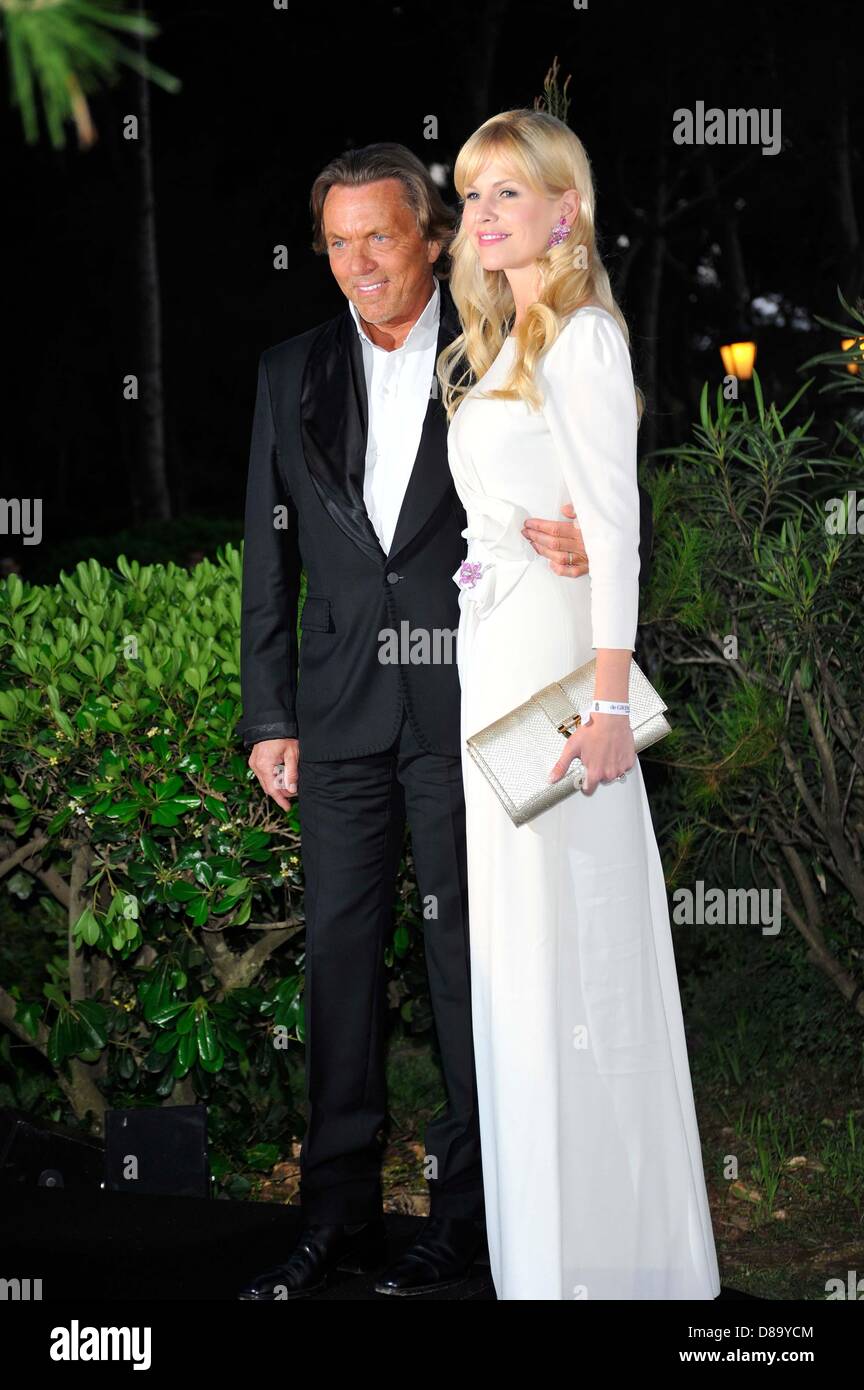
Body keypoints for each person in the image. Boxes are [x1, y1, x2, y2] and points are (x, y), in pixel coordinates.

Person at [236, 143, 654, 1300]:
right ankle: (339, 1220)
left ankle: (470, 1225)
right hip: (333, 718)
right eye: (336, 243)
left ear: (433, 237)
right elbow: (265, 560)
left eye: (381, 235)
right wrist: (270, 711)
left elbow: (597, 479)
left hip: (471, 705)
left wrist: (582, 537)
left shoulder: (497, 348)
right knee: (340, 974)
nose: (358, 262)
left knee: (478, 969)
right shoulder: (286, 370)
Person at [438, 109, 721, 1300]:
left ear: (568, 210)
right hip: (492, 666)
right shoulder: (500, 340)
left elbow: (617, 533)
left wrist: (610, 706)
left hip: (564, 684)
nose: (486, 216)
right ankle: (542, 1262)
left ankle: (616, 1266)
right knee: (519, 967)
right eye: (473, 195)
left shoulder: (587, 340)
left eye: (511, 193)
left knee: (583, 956)